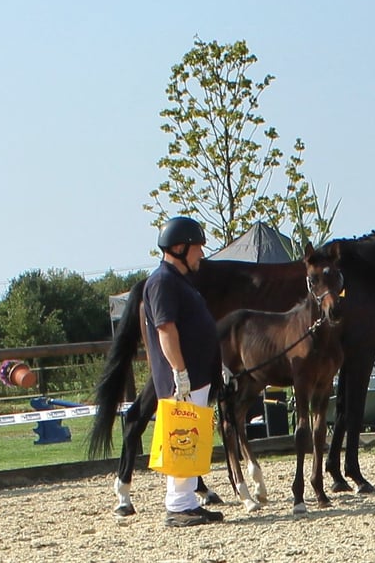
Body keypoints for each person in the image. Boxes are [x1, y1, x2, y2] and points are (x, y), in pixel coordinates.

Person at [142, 216, 224, 527]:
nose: (201, 255)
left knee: (191, 438)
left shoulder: (179, 281)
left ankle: (187, 501)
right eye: (197, 249)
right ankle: (178, 505)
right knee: (182, 438)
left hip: (197, 375)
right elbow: (166, 329)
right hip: (183, 378)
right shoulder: (162, 282)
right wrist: (179, 371)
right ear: (179, 248)